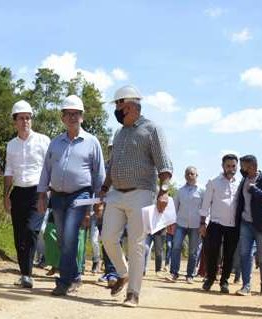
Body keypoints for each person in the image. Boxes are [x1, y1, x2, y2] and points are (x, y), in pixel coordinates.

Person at [100, 85, 173, 307]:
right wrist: (104, 188)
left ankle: (133, 293)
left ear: (129, 106)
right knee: (107, 237)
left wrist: (164, 191)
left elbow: (164, 164)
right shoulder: (119, 133)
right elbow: (112, 164)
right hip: (116, 194)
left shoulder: (152, 129)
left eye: (118, 105)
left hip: (142, 192)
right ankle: (123, 273)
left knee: (136, 243)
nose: (116, 110)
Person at [37, 95, 105, 296]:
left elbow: (99, 175)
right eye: (68, 114)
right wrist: (42, 194)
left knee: (69, 235)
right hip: (57, 196)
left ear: (82, 117)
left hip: (81, 194)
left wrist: (98, 203)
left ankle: (64, 282)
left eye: (76, 113)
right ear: (63, 118)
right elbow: (46, 170)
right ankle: (75, 275)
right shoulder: (56, 142)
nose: (72, 117)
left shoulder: (92, 142)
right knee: (62, 239)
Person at [4, 100, 50, 288]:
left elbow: (49, 168)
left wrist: (45, 194)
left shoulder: (43, 140)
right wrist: (5, 196)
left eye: (28, 118)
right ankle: (25, 274)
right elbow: (9, 171)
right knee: (19, 235)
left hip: (37, 192)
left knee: (32, 230)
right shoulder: (11, 145)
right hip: (18, 193)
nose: (25, 121)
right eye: (21, 118)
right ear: (15, 121)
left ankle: (28, 273)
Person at [199, 154, 239, 293]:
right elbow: (205, 204)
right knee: (212, 252)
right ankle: (210, 279)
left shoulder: (239, 183)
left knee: (229, 254)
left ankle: (224, 282)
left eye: (233, 166)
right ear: (223, 166)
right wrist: (203, 223)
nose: (231, 169)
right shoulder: (213, 182)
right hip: (216, 223)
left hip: (233, 225)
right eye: (228, 166)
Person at [166, 166, 204, 283]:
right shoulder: (180, 190)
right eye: (187, 174)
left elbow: (205, 209)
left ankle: (190, 275)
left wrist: (204, 224)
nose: (189, 176)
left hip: (196, 225)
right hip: (180, 224)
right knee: (176, 247)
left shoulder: (202, 191)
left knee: (193, 251)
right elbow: (174, 208)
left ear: (197, 175)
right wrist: (171, 222)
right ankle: (174, 273)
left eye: (192, 174)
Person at [235, 155, 262, 296]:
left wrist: (255, 190)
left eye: (244, 166)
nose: (241, 169)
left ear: (252, 166)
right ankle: (246, 286)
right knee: (245, 254)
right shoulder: (244, 179)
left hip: (260, 225)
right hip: (245, 223)